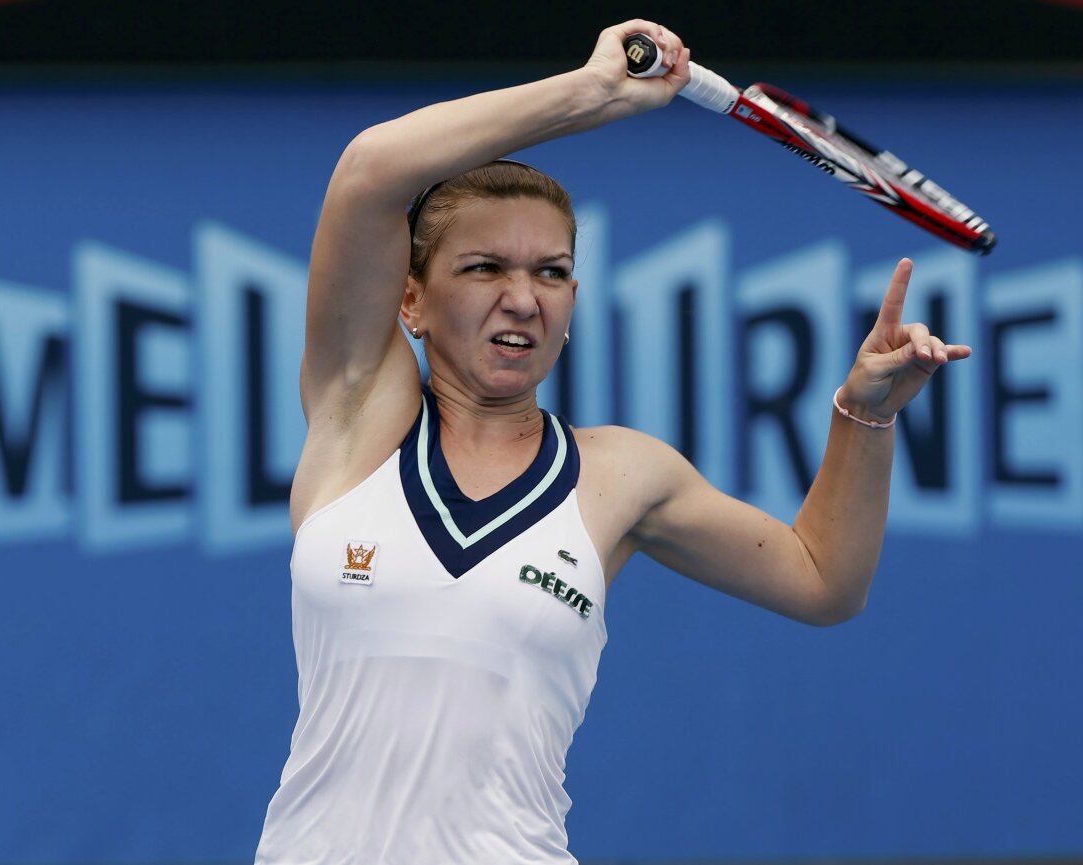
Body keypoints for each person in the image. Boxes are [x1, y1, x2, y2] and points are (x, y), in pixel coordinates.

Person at [254, 19, 971, 865]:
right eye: (485, 268)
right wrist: (590, 93)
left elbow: (823, 582)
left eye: (551, 272)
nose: (524, 297)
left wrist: (868, 414)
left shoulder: (621, 474)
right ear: (410, 302)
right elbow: (371, 171)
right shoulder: (356, 418)